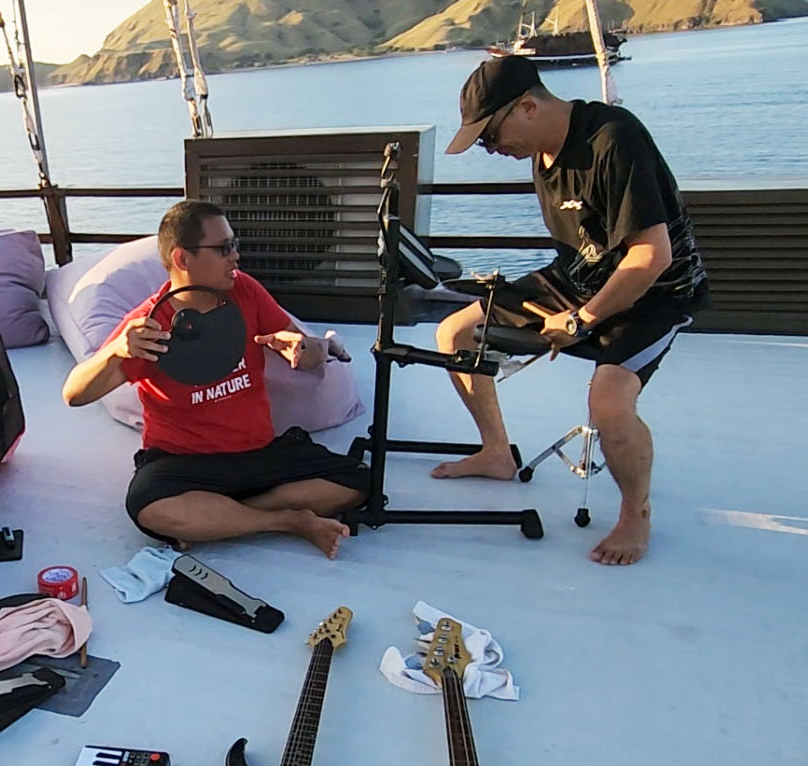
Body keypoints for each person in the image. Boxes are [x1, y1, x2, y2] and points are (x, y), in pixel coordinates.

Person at [432, 56, 708, 566]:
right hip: (580, 279)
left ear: (528, 107)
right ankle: (497, 453)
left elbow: (652, 256)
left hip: (654, 293)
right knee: (456, 334)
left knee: (608, 403)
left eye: (490, 136)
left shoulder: (614, 138)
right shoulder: (540, 153)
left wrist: (582, 321)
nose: (491, 149)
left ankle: (635, 512)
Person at [61, 201, 369, 559]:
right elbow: (74, 394)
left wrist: (304, 349)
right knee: (149, 507)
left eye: (234, 245)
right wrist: (116, 351)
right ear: (182, 258)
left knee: (357, 480)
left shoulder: (245, 291)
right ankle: (287, 520)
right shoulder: (150, 326)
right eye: (224, 248)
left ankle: (219, 517)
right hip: (184, 463)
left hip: (259, 453)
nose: (235, 256)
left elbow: (308, 349)